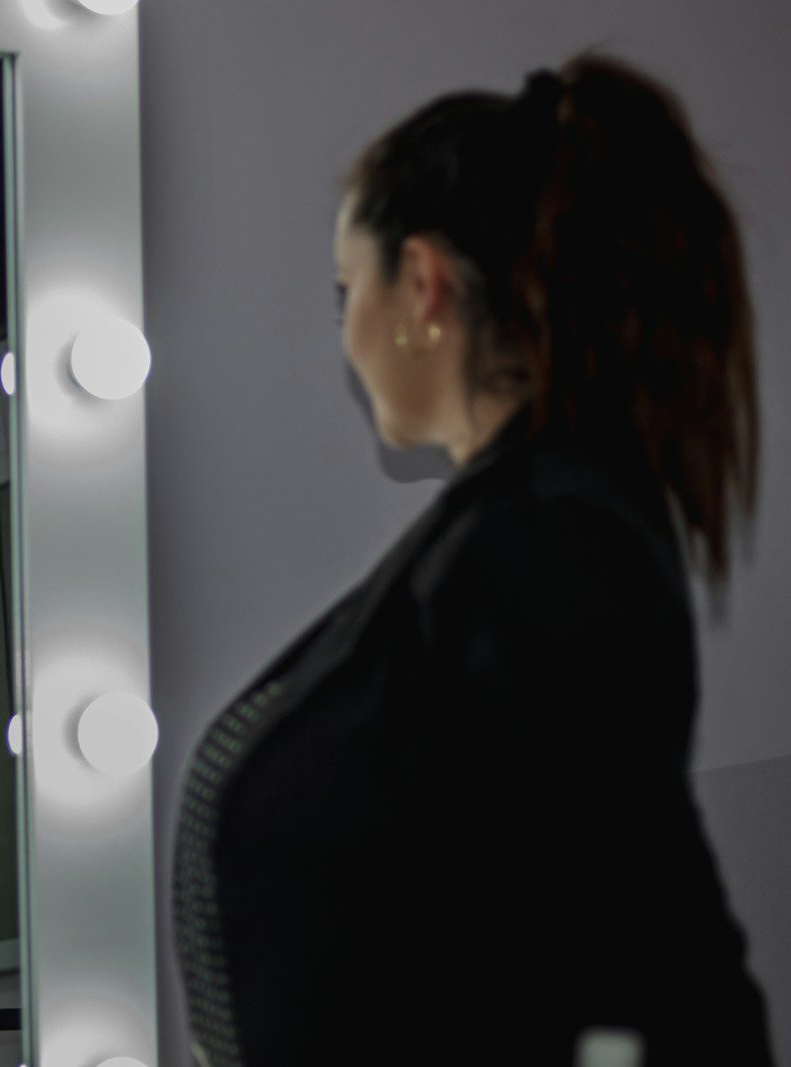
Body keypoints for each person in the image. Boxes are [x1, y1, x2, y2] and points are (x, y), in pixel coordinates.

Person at [171, 51, 773, 1066]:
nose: (347, 335)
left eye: (343, 289)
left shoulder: (552, 542)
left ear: (421, 285)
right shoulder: (503, 529)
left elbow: (652, 969)